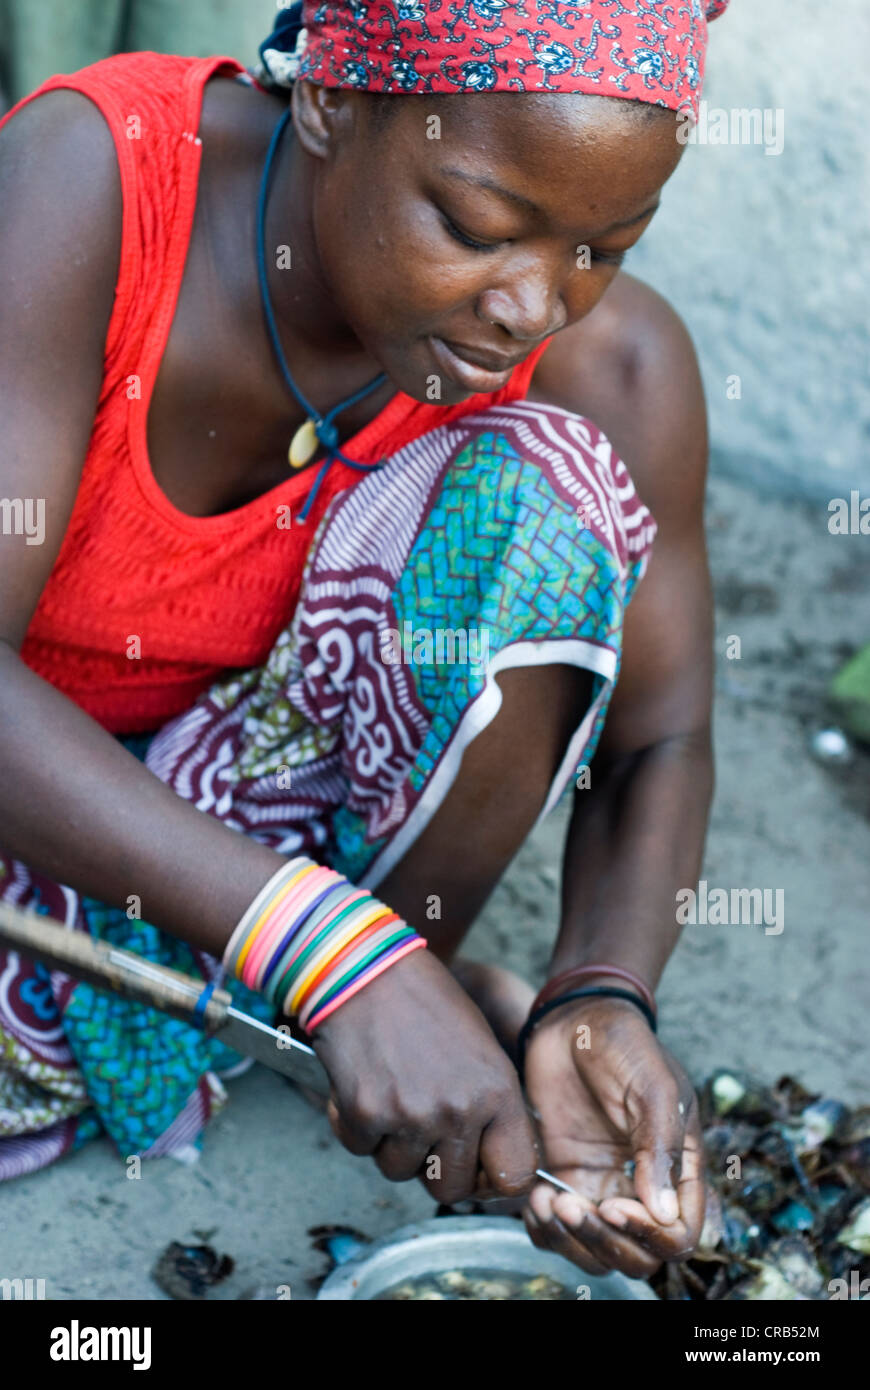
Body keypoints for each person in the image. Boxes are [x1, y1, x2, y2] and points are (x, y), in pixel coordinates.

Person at [0, 0, 727, 1279]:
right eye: (476, 226)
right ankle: (345, 1001)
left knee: (554, 487)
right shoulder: (94, 191)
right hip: (58, 798)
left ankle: (380, 994)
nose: (529, 305)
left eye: (603, 248)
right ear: (333, 100)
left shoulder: (612, 367)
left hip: (231, 837)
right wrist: (326, 952)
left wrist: (599, 988)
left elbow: (662, 733)